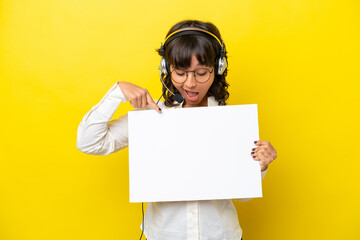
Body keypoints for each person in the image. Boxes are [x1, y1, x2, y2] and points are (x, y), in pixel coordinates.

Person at [76, 19, 277, 240]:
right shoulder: (151, 117)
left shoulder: (231, 123)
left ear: (218, 68)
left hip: (220, 235)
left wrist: (260, 167)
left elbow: (241, 197)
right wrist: (117, 93)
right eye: (180, 73)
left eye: (201, 73)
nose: (190, 84)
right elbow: (88, 142)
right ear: (166, 69)